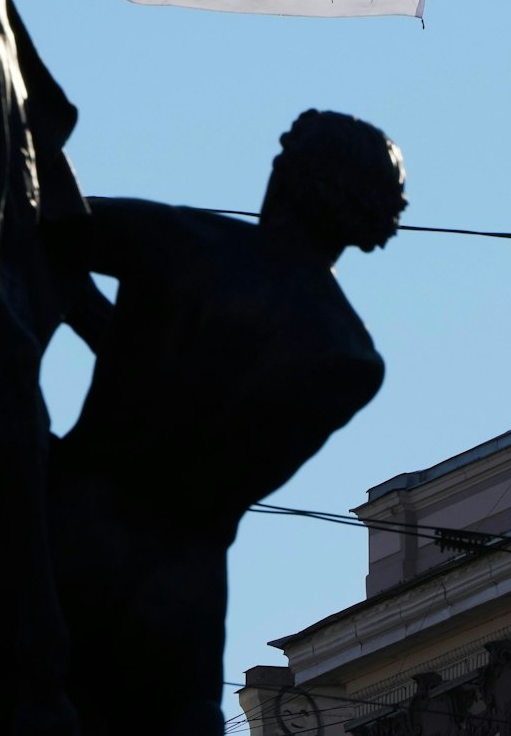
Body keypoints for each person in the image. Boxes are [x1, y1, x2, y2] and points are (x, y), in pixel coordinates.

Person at [51, 109, 406, 736]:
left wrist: (85, 315)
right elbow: (210, 473)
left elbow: (43, 226)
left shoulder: (181, 241)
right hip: (177, 584)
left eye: (281, 164)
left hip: (68, 519)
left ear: (291, 182)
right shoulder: (346, 355)